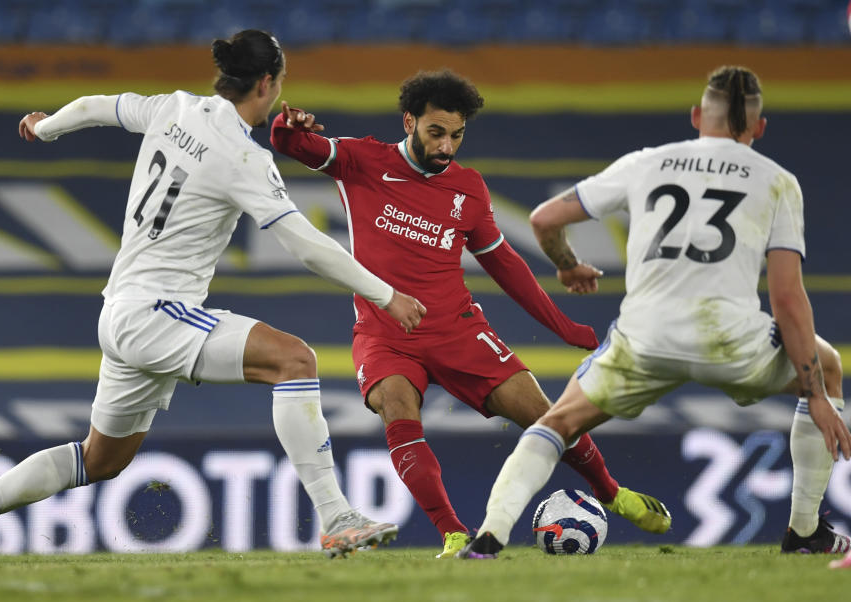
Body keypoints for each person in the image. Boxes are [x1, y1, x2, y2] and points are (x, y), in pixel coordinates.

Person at [0, 29, 429, 562]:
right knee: (295, 360)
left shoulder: (174, 108)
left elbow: (96, 105)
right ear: (269, 82)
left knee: (100, 460)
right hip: (156, 314)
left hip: (120, 312)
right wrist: (384, 294)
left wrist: (46, 128)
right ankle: (336, 517)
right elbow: (305, 245)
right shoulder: (242, 158)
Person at [271, 69, 672, 559]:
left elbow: (506, 265)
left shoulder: (469, 189)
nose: (446, 147)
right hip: (386, 333)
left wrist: (565, 327)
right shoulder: (363, 160)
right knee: (398, 408)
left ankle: (614, 494)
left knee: (547, 418)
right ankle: (454, 534)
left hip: (458, 331)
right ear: (409, 121)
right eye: (435, 132)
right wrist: (288, 126)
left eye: (456, 135)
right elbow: (292, 144)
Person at [460, 65, 851, 559]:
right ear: (759, 128)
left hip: (646, 338)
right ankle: (803, 532)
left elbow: (544, 219)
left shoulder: (649, 163)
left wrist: (568, 266)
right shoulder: (778, 183)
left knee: (556, 424)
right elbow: (788, 298)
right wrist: (815, 393)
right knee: (830, 364)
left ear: (694, 117)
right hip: (731, 339)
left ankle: (489, 537)